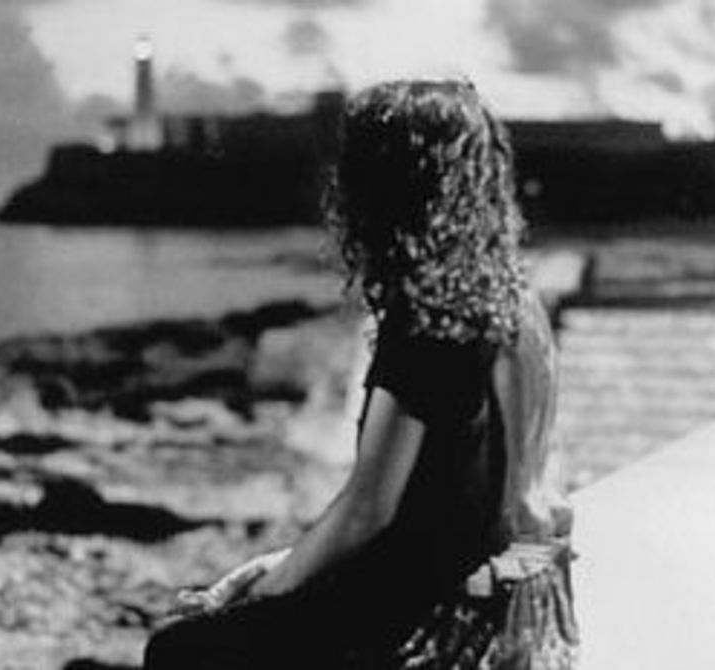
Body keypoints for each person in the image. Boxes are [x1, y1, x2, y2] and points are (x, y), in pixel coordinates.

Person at [143, 79, 577, 669]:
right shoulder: (521, 307)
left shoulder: (428, 323)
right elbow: (482, 508)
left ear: (384, 187)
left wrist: (271, 589)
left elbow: (367, 510)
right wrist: (280, 565)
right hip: (500, 599)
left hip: (428, 617)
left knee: (178, 650)